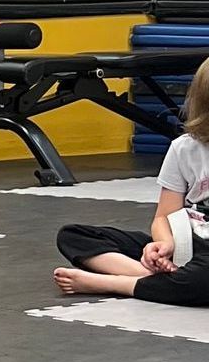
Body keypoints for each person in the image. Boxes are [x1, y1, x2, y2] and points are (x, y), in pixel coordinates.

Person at [54, 59, 209, 304]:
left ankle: (115, 283)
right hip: (186, 244)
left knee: (202, 277)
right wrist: (164, 244)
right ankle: (159, 278)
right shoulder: (184, 148)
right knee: (72, 236)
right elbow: (164, 216)